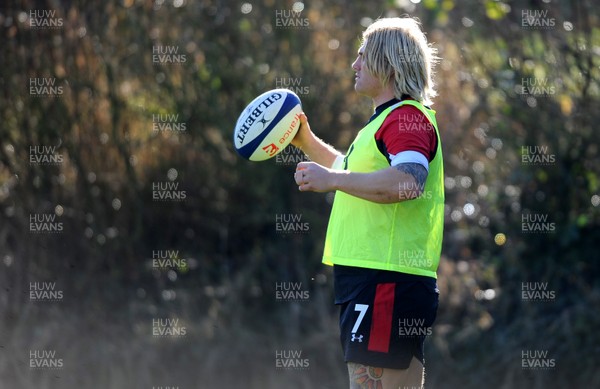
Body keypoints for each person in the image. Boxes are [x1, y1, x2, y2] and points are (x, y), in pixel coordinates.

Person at [291, 17, 444, 389]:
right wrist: (305, 141)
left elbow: (408, 182)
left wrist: (331, 181)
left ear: (388, 64)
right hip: (380, 279)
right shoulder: (385, 123)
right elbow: (351, 172)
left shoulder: (406, 117)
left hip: (383, 280)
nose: (354, 64)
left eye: (363, 56)